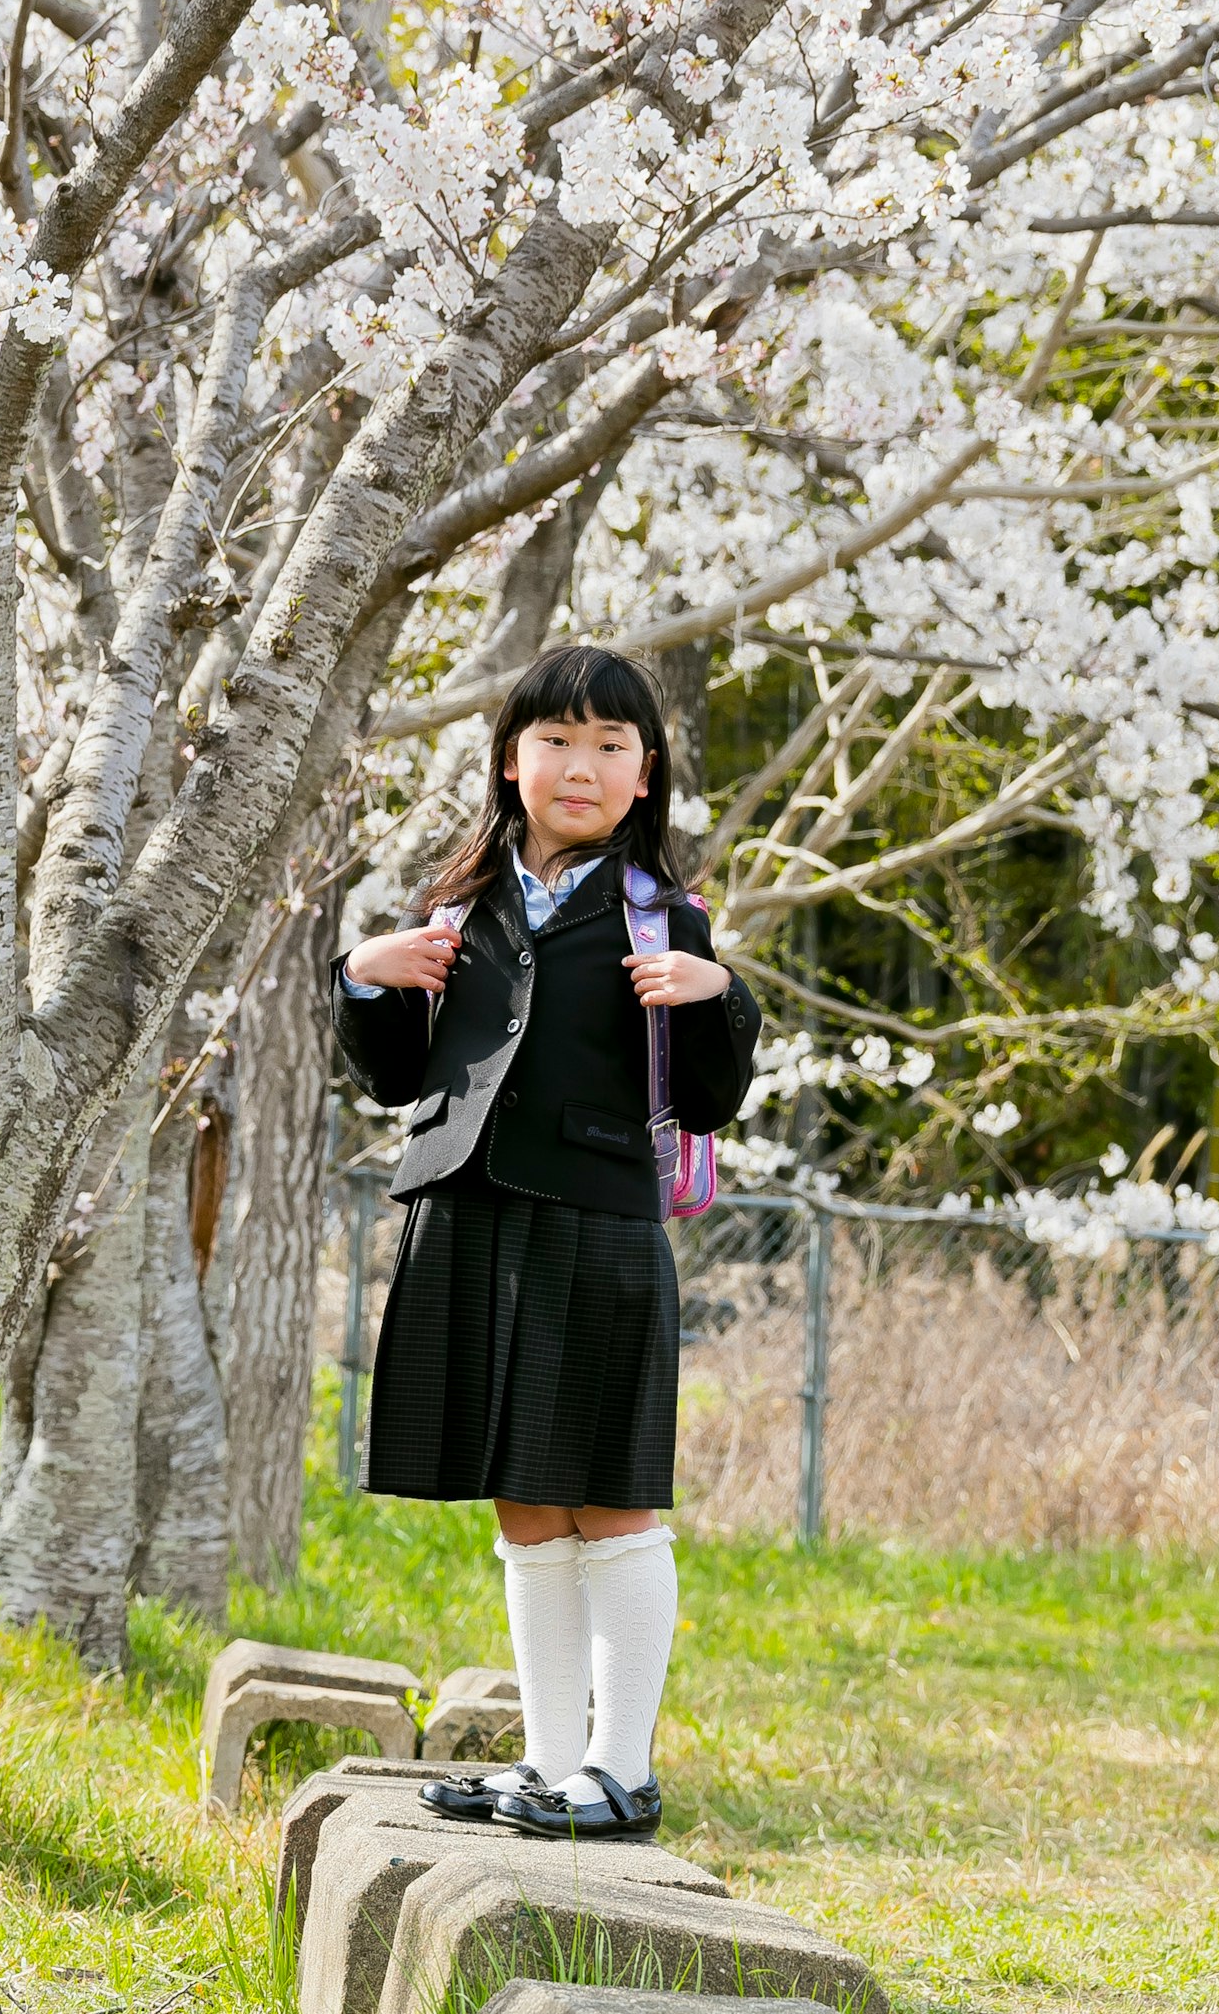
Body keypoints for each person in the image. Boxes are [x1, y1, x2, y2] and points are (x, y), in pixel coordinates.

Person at [332, 644, 761, 1841]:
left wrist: (717, 992)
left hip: (599, 1220)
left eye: (610, 746)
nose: (581, 766)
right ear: (511, 763)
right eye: (556, 741)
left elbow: (713, 1102)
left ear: (647, 774)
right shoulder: (456, 906)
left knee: (611, 1500)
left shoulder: (667, 917)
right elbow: (399, 1078)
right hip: (467, 1212)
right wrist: (364, 979)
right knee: (524, 1505)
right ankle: (551, 1762)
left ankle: (622, 1773)